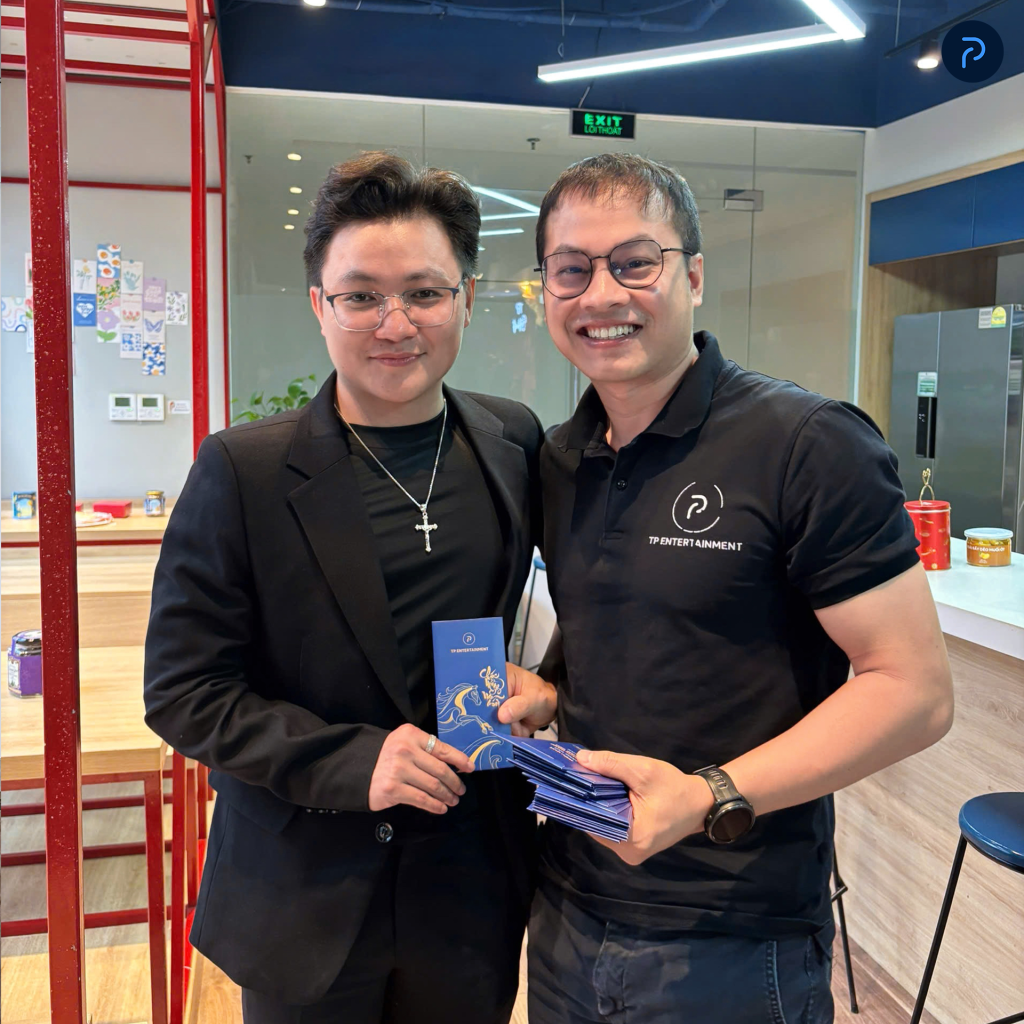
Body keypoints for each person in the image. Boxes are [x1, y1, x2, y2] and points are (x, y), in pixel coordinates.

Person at [524, 153, 954, 1024]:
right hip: (568, 907)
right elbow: (637, 625)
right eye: (571, 269)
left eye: (634, 262)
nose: (602, 294)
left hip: (733, 938)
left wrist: (708, 795)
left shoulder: (808, 444)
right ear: (546, 292)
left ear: (693, 275)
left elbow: (915, 692)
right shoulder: (562, 457)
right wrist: (550, 687)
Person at [144, 151, 556, 1024]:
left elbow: (593, 591)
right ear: (318, 306)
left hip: (471, 882)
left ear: (467, 299)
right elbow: (184, 692)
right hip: (307, 886)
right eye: (361, 296)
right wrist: (352, 761)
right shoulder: (244, 472)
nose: (394, 323)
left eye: (424, 292)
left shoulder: (513, 441)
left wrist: (551, 687)